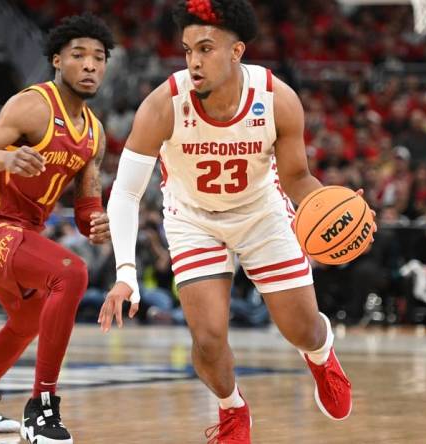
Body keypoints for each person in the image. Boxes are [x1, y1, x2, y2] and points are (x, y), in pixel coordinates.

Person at [99, 1, 375, 442]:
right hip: (193, 220)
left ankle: (322, 356)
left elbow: (298, 178)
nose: (193, 61)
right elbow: (126, 193)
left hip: (262, 212)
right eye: (188, 49)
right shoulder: (163, 105)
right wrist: (126, 273)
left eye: (205, 48)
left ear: (237, 51)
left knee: (301, 329)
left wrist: (337, 206)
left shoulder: (277, 98)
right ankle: (232, 409)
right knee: (208, 340)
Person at [0, 14, 114, 444]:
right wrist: (7, 160)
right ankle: (42, 407)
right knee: (70, 273)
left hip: (21, 236)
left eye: (99, 58)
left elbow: (87, 207)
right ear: (57, 60)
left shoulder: (95, 134)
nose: (90, 65)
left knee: (28, 320)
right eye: (79, 56)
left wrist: (99, 223)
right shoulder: (33, 105)